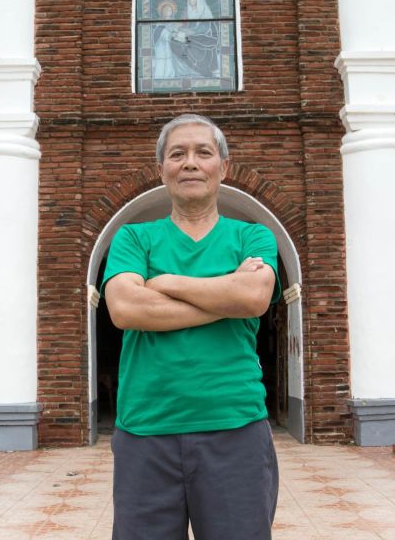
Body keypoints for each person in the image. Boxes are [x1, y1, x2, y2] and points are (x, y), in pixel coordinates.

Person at [102, 114, 281, 540]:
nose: (190, 162)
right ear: (160, 168)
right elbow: (125, 308)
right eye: (177, 154)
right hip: (145, 430)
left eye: (203, 152)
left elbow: (254, 298)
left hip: (234, 427)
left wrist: (166, 283)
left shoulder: (253, 236)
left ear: (224, 165)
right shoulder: (133, 237)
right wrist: (227, 296)